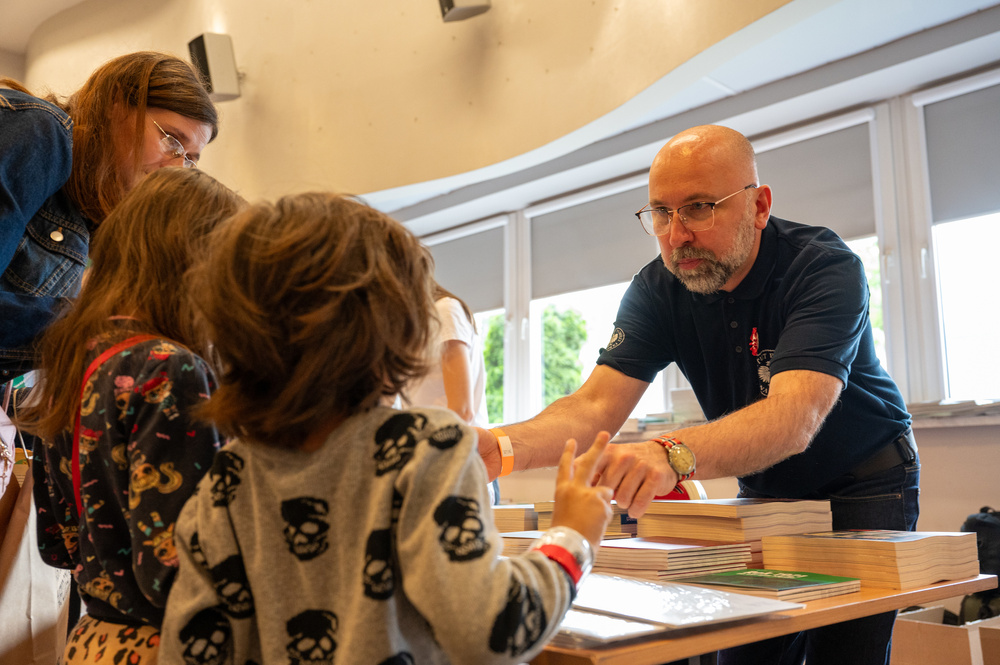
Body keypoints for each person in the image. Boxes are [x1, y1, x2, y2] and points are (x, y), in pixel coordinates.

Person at [473, 124, 917, 665]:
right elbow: (594, 407)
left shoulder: (823, 267)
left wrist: (670, 454)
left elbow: (793, 417)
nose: (676, 234)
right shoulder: (659, 287)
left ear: (759, 206)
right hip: (766, 486)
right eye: (660, 212)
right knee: (745, 650)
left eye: (700, 207)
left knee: (845, 652)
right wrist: (500, 446)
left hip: (864, 482)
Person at [159, 193, 614, 664]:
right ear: (398, 326)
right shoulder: (427, 448)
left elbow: (187, 651)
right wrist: (571, 538)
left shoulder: (223, 482)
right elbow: (490, 631)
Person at [17, 167, 245, 664]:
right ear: (196, 265)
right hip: (173, 646)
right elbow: (177, 568)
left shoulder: (77, 359)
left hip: (95, 640)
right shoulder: (172, 370)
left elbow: (55, 546)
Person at [0, 50, 218, 382]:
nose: (177, 169)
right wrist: (99, 323)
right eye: (172, 141)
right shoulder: (43, 131)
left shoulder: (85, 219)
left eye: (190, 159)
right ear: (115, 106)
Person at [404, 282, 501, 502]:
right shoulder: (413, 328)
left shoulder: (445, 311)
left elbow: (462, 409)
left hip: (455, 459)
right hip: (433, 460)